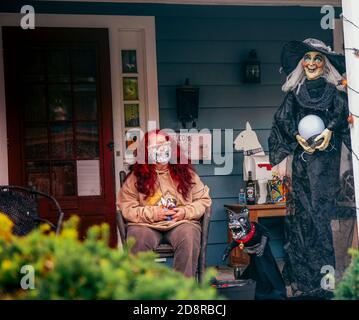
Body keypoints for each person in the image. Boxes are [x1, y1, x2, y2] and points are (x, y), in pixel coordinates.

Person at [268, 38, 351, 298]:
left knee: (323, 219)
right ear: (301, 63)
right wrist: (296, 137)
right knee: (303, 220)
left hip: (328, 166)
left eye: (318, 58)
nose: (312, 63)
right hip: (304, 167)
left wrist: (329, 131)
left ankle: (331, 280)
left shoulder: (335, 93)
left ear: (325, 63)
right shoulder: (295, 96)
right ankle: (308, 281)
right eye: (308, 58)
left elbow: (342, 117)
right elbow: (282, 122)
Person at [117, 129, 212, 277]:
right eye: (155, 146)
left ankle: (182, 291)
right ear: (146, 151)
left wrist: (185, 212)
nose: (161, 148)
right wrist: (155, 213)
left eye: (164, 143)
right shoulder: (136, 177)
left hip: (180, 222)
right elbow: (126, 207)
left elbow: (203, 200)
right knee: (138, 237)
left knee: (189, 235)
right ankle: (144, 290)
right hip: (146, 224)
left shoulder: (186, 173)